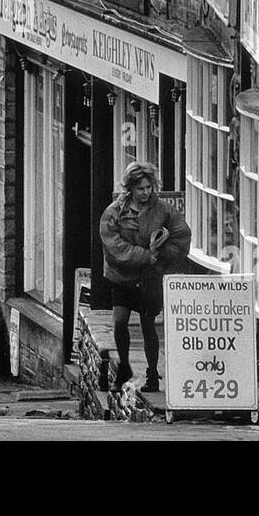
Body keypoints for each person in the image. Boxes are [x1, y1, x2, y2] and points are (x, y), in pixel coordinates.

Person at [99, 160, 191, 392]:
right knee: (120, 321)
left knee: (148, 325)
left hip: (150, 278)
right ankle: (124, 366)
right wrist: (145, 256)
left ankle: (152, 374)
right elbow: (113, 246)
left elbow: (181, 238)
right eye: (141, 188)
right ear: (130, 187)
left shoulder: (164, 211)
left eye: (149, 187)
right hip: (122, 276)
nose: (146, 192)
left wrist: (161, 256)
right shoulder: (115, 212)